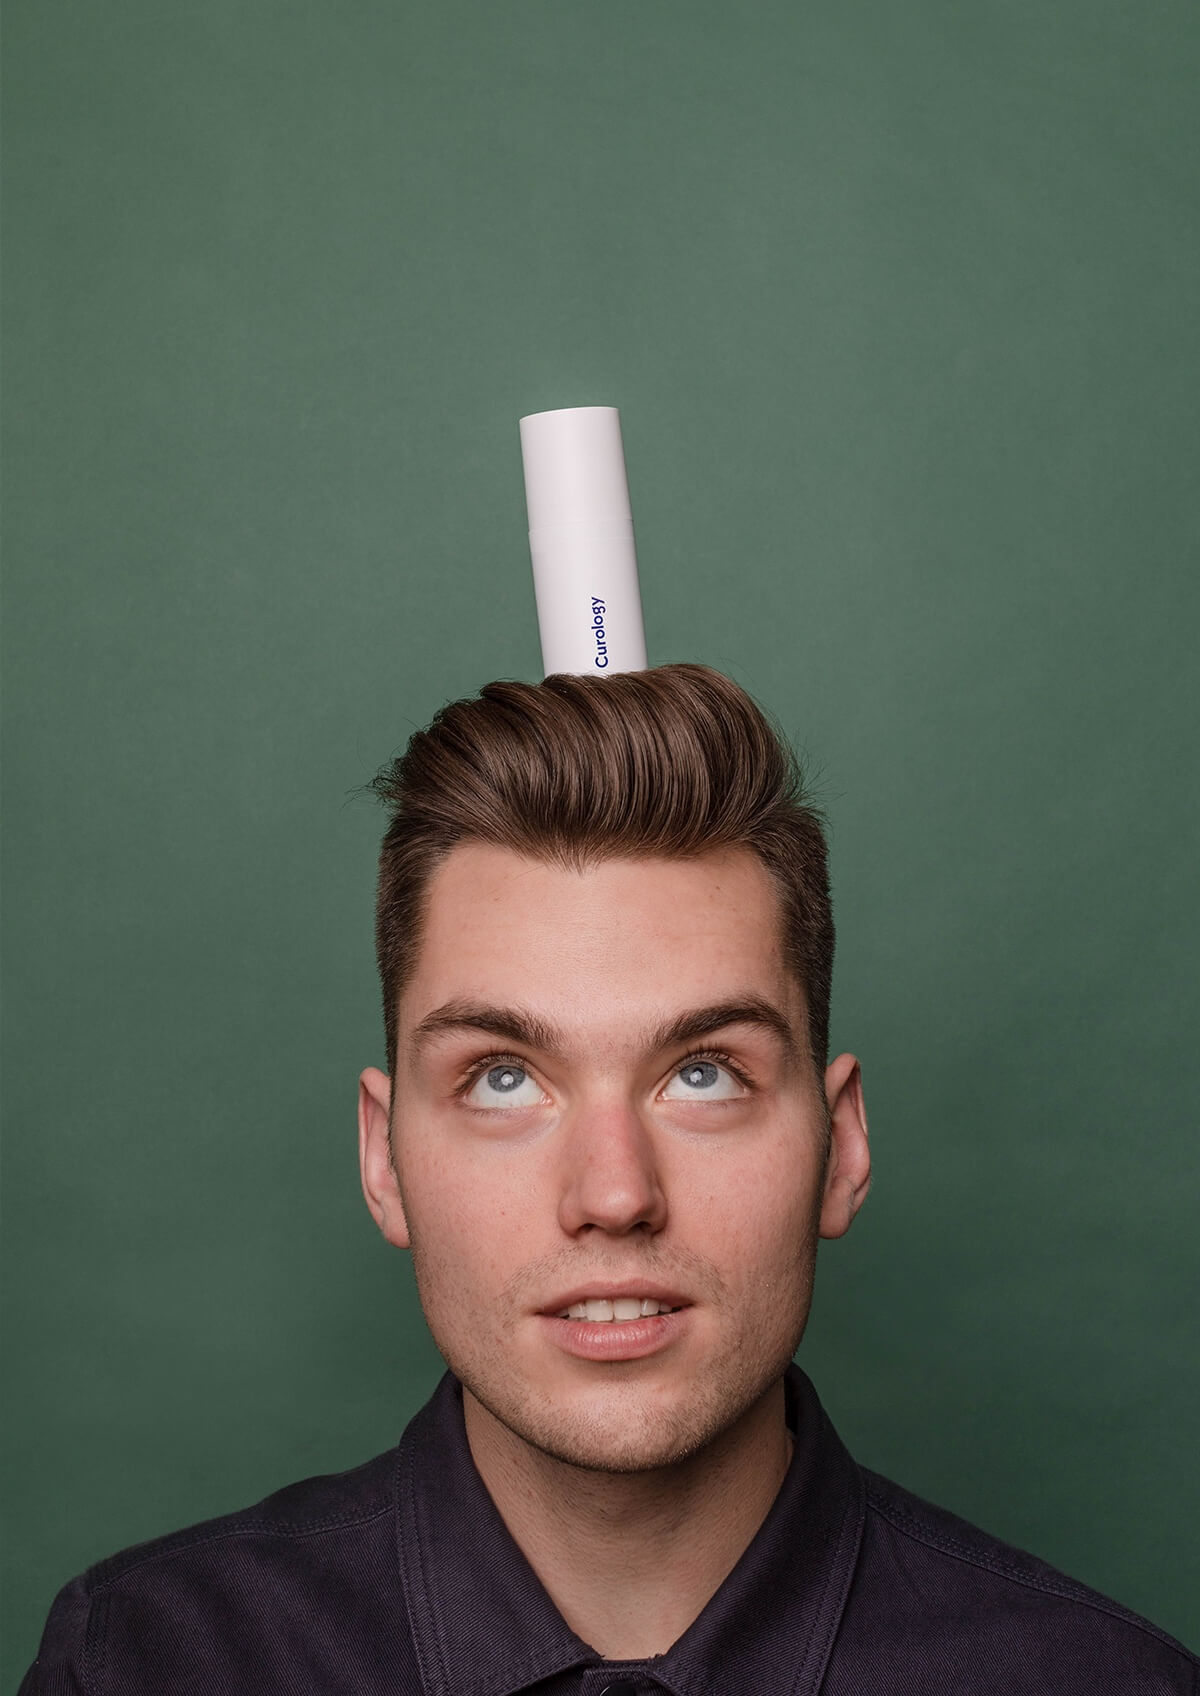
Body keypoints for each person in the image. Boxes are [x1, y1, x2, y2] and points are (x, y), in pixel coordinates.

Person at [21, 666, 1197, 1692]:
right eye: (499, 1079)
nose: (615, 1193)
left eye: (701, 1075)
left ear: (840, 1145)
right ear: (384, 1160)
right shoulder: (137, 1662)